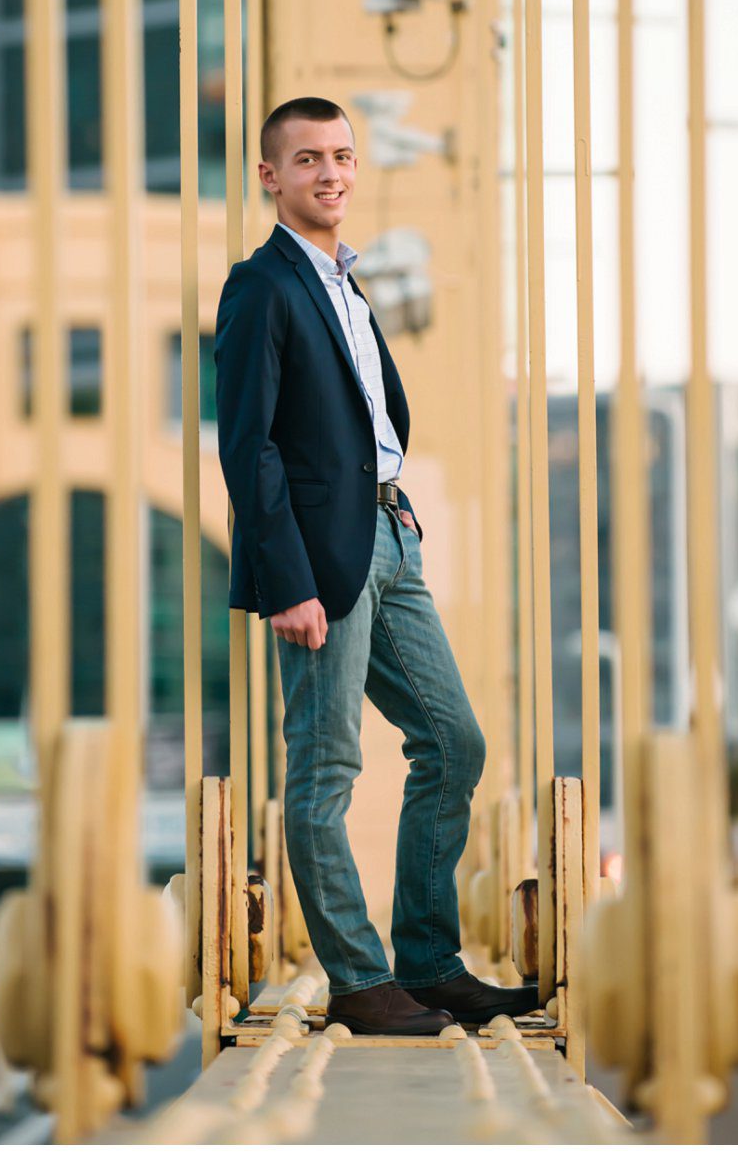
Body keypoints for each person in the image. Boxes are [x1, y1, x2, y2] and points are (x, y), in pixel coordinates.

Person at [215, 96, 533, 1036]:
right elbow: (249, 445)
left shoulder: (348, 284)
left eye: (344, 156)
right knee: (326, 768)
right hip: (321, 559)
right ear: (271, 177)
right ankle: (360, 979)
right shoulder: (261, 286)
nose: (332, 173)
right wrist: (289, 581)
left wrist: (397, 515)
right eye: (308, 159)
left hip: (393, 538)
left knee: (454, 742)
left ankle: (428, 963)